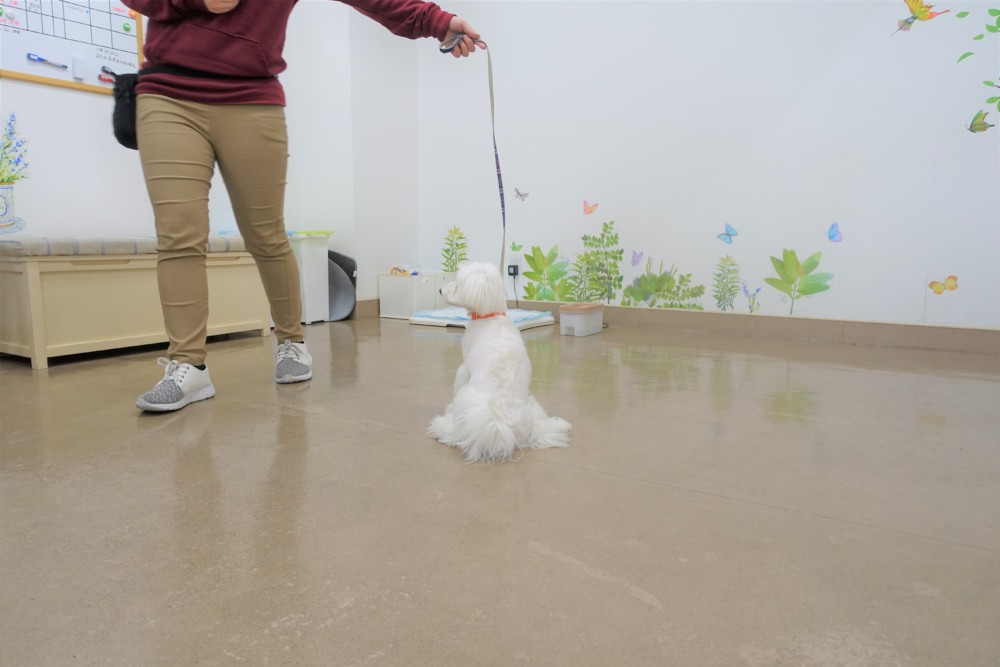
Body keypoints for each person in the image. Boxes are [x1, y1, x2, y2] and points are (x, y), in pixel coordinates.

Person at [123, 0, 480, 412]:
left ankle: (291, 343)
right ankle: (188, 365)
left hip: (251, 97)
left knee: (266, 234)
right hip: (168, 96)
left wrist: (438, 22)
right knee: (178, 236)